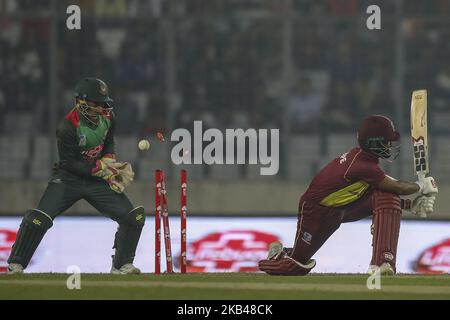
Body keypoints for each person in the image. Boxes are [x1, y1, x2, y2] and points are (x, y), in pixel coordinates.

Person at [259, 115, 438, 276]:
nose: (390, 145)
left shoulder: (365, 160)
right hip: (316, 212)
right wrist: (421, 186)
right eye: (387, 141)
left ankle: (382, 262)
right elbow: (398, 186)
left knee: (386, 195)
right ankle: (276, 256)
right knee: (296, 266)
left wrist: (410, 205)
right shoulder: (362, 166)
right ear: (374, 143)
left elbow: (388, 185)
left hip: (342, 208)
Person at [7, 77, 144, 274]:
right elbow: (68, 163)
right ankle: (15, 264)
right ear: (81, 103)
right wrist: (98, 168)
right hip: (68, 179)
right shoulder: (67, 127)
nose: (102, 108)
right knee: (39, 219)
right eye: (96, 104)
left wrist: (109, 161)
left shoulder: (109, 118)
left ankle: (121, 265)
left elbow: (109, 142)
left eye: (103, 103)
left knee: (134, 217)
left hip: (96, 181)